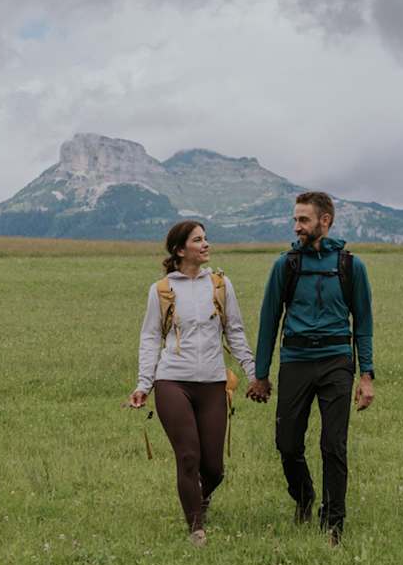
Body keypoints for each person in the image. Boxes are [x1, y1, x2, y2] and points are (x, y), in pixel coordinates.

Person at [245, 191, 375, 545]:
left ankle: (334, 523)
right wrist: (261, 374)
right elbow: (269, 319)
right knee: (287, 443)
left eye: (303, 219)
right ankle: (303, 497)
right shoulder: (286, 265)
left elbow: (363, 321)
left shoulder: (351, 266)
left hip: (336, 362)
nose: (297, 226)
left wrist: (366, 375)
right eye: (295, 219)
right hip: (296, 361)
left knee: (334, 444)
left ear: (325, 221)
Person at [129, 220, 256, 546]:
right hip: (173, 381)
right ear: (180, 249)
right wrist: (144, 384)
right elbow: (150, 337)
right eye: (198, 240)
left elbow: (235, 332)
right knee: (188, 457)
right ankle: (196, 528)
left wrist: (254, 373)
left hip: (213, 381)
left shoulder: (221, 284)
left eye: (206, 238)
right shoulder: (160, 290)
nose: (206, 244)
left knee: (214, 469)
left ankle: (200, 497)